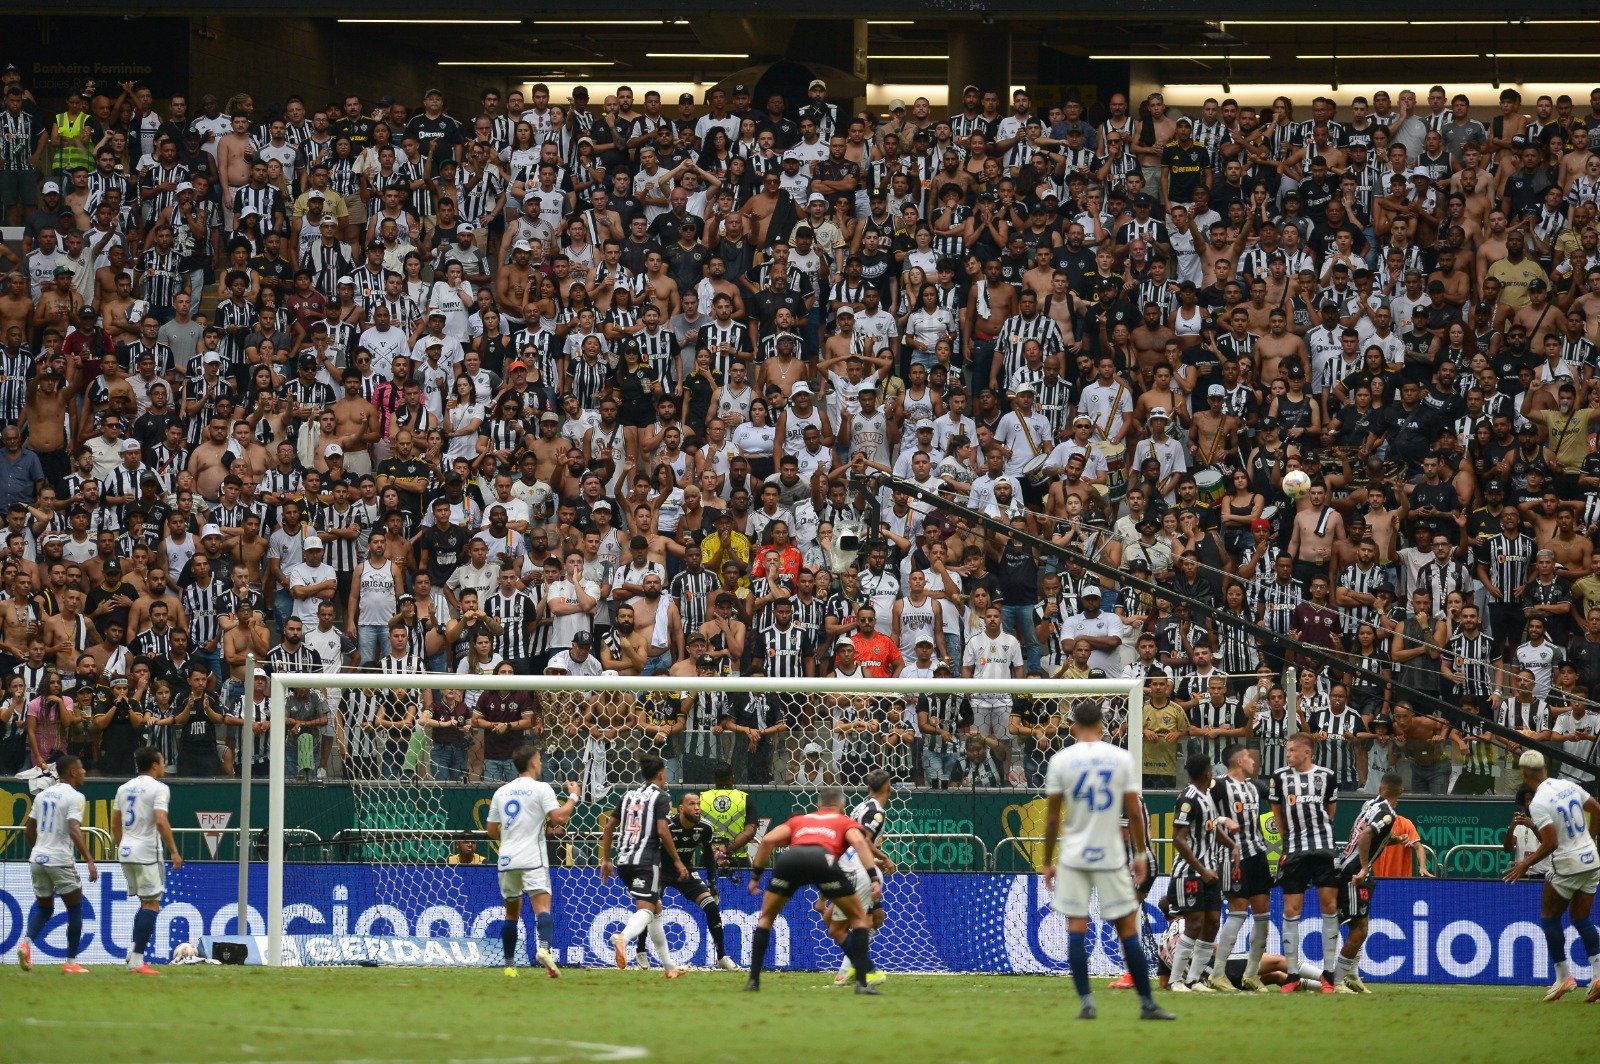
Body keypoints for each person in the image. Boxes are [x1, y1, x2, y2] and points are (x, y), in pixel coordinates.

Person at [1041, 699, 1173, 1021]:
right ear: (1102, 725)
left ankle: (1086, 1001)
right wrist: (1141, 854)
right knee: (1128, 927)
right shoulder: (1120, 758)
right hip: (1112, 855)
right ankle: (1147, 1004)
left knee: (1077, 926)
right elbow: (1134, 812)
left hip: (1074, 855)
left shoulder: (1061, 760)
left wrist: (1047, 861)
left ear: (1073, 727)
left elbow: (1052, 819)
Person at [745, 784, 883, 994]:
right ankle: (862, 984)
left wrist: (756, 877)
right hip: (823, 860)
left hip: (791, 859)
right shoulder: (844, 821)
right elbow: (860, 842)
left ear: (818, 805)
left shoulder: (800, 820)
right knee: (859, 919)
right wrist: (873, 876)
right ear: (842, 805)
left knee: (766, 918)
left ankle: (753, 981)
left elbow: (767, 840)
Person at [1504, 750, 1600, 1002]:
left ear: (1524, 773)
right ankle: (1598, 974)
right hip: (1591, 858)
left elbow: (1550, 843)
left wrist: (1525, 864)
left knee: (1549, 917)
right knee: (1581, 918)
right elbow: (1597, 808)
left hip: (1568, 863)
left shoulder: (1538, 802)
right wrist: (1590, 838)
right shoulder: (1567, 784)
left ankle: (1563, 977)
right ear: (1545, 767)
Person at [486, 745, 579, 979]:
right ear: (534, 763)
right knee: (542, 909)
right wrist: (573, 796)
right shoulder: (541, 788)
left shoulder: (501, 792)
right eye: (540, 759)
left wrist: (511, 836)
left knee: (511, 915)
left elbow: (491, 831)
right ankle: (544, 949)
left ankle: (509, 966)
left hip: (507, 859)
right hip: (532, 859)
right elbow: (558, 817)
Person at [631, 791, 741, 972]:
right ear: (681, 808)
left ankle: (722, 957)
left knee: (711, 906)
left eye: (698, 804)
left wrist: (712, 884)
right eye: (691, 804)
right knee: (649, 907)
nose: (697, 808)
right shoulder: (666, 826)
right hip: (660, 871)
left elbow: (707, 857)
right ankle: (641, 950)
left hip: (685, 872)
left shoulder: (704, 829)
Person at [600, 755, 689, 978]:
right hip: (646, 862)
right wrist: (677, 861)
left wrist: (605, 859)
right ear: (661, 774)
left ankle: (669, 968)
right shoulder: (662, 797)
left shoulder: (628, 795)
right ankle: (623, 938)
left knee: (656, 909)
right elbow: (661, 830)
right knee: (647, 910)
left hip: (624, 862)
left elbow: (609, 827)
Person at [1269, 732, 1340, 993]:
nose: (1288, 755)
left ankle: (1329, 975)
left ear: (1307, 752)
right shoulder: (1280, 777)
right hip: (1295, 849)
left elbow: (1330, 813)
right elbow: (1277, 811)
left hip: (1323, 848)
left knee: (1329, 905)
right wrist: (1288, 839)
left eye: (1292, 751)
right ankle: (1292, 974)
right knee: (1291, 909)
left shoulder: (1327, 776)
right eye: (1287, 751)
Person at [1329, 771, 1407, 994]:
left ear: (1380, 788)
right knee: (1359, 929)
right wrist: (1364, 867)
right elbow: (1366, 836)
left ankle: (1351, 975)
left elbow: (1371, 834)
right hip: (1354, 870)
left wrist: (1393, 840)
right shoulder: (1388, 814)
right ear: (1401, 791)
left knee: (1361, 924)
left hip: (1351, 866)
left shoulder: (1370, 803)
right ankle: (1336, 980)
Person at [18, 754, 97, 973]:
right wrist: (89, 859)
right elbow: (73, 828)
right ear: (72, 772)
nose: (84, 772)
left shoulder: (42, 795)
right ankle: (71, 963)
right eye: (81, 768)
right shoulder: (75, 797)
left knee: (44, 909)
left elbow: (29, 829)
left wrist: (38, 850)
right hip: (59, 859)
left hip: (38, 859)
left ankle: (26, 944)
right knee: (75, 908)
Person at [111, 745, 183, 974]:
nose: (164, 766)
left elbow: (115, 823)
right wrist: (174, 850)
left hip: (126, 851)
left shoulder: (123, 789)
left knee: (144, 903)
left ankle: (132, 952)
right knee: (152, 903)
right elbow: (160, 820)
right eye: (162, 762)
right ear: (154, 765)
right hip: (147, 852)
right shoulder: (159, 788)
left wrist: (124, 845)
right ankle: (137, 960)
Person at [1210, 745, 1274, 992]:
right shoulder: (1218, 786)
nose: (1253, 761)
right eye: (1249, 757)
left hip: (1258, 854)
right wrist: (1221, 820)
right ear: (1238, 760)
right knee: (1238, 911)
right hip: (1231, 855)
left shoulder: (1255, 787)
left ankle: (1251, 974)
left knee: (1263, 914)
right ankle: (1217, 974)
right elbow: (1200, 813)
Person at [825, 767, 894, 987]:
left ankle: (851, 969)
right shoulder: (877, 812)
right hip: (860, 870)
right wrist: (885, 858)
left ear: (868, 788)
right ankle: (858, 968)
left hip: (857, 868)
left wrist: (876, 858)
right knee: (856, 921)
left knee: (870, 920)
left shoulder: (861, 806)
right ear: (889, 788)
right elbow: (863, 841)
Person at [1166, 753, 1228, 993]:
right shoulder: (1187, 799)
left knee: (1212, 922)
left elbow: (1211, 829)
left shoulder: (1207, 797)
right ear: (1207, 772)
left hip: (1210, 870)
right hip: (1190, 872)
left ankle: (1194, 979)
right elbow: (1178, 839)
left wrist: (1231, 846)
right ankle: (1175, 980)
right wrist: (1201, 870)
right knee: (1194, 923)